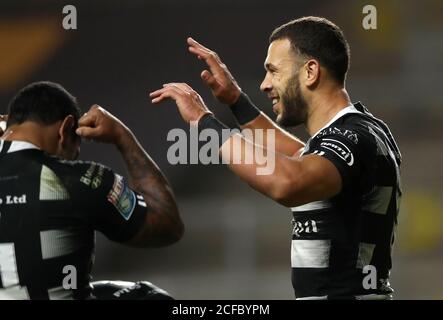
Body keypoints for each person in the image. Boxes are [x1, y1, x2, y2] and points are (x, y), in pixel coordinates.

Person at [150, 16, 402, 299]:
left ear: (310, 72)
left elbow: (287, 182)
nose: (264, 84)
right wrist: (236, 101)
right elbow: (298, 156)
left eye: (273, 71)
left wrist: (203, 121)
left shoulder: (353, 137)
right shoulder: (359, 132)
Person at [0, 81, 183, 299]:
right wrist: (122, 137)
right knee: (147, 297)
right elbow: (167, 224)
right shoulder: (81, 179)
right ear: (65, 129)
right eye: (73, 153)